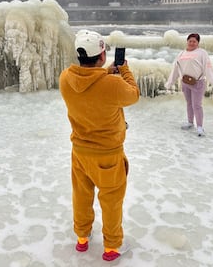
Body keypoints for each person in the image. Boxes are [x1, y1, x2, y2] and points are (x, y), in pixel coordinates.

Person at [59, 30, 139, 261]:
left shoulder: (66, 78)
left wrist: (105, 73)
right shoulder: (112, 84)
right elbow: (133, 94)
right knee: (111, 201)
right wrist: (123, 69)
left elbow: (90, 84)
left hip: (80, 152)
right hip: (108, 155)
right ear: (102, 56)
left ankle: (82, 238)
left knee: (81, 196)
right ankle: (112, 247)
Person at [165, 33, 213, 136]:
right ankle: (190, 122)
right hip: (185, 82)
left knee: (197, 105)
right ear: (187, 41)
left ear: (198, 43)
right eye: (190, 41)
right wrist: (170, 83)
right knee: (189, 104)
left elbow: (207, 67)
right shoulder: (181, 54)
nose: (192, 43)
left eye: (194, 41)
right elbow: (175, 69)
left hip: (198, 82)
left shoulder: (202, 53)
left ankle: (200, 127)